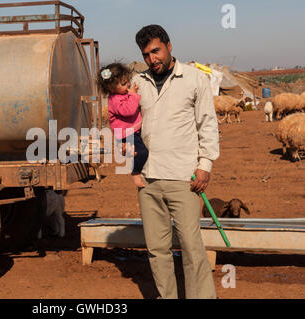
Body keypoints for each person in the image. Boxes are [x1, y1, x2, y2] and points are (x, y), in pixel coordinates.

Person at [132, 25, 220, 299]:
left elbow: (207, 124)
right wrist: (131, 169)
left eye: (156, 51)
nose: (152, 59)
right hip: (148, 179)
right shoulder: (137, 83)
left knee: (192, 248)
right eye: (146, 55)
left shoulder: (194, 79)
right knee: (157, 249)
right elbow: (125, 128)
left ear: (169, 46)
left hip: (185, 178)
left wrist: (204, 165)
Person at [97, 63, 149, 187]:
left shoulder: (120, 95)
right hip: (126, 133)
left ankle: (129, 152)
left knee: (139, 151)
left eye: (128, 82)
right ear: (111, 87)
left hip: (130, 131)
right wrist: (133, 95)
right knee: (142, 153)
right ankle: (135, 173)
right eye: (124, 84)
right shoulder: (114, 100)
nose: (128, 85)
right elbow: (129, 110)